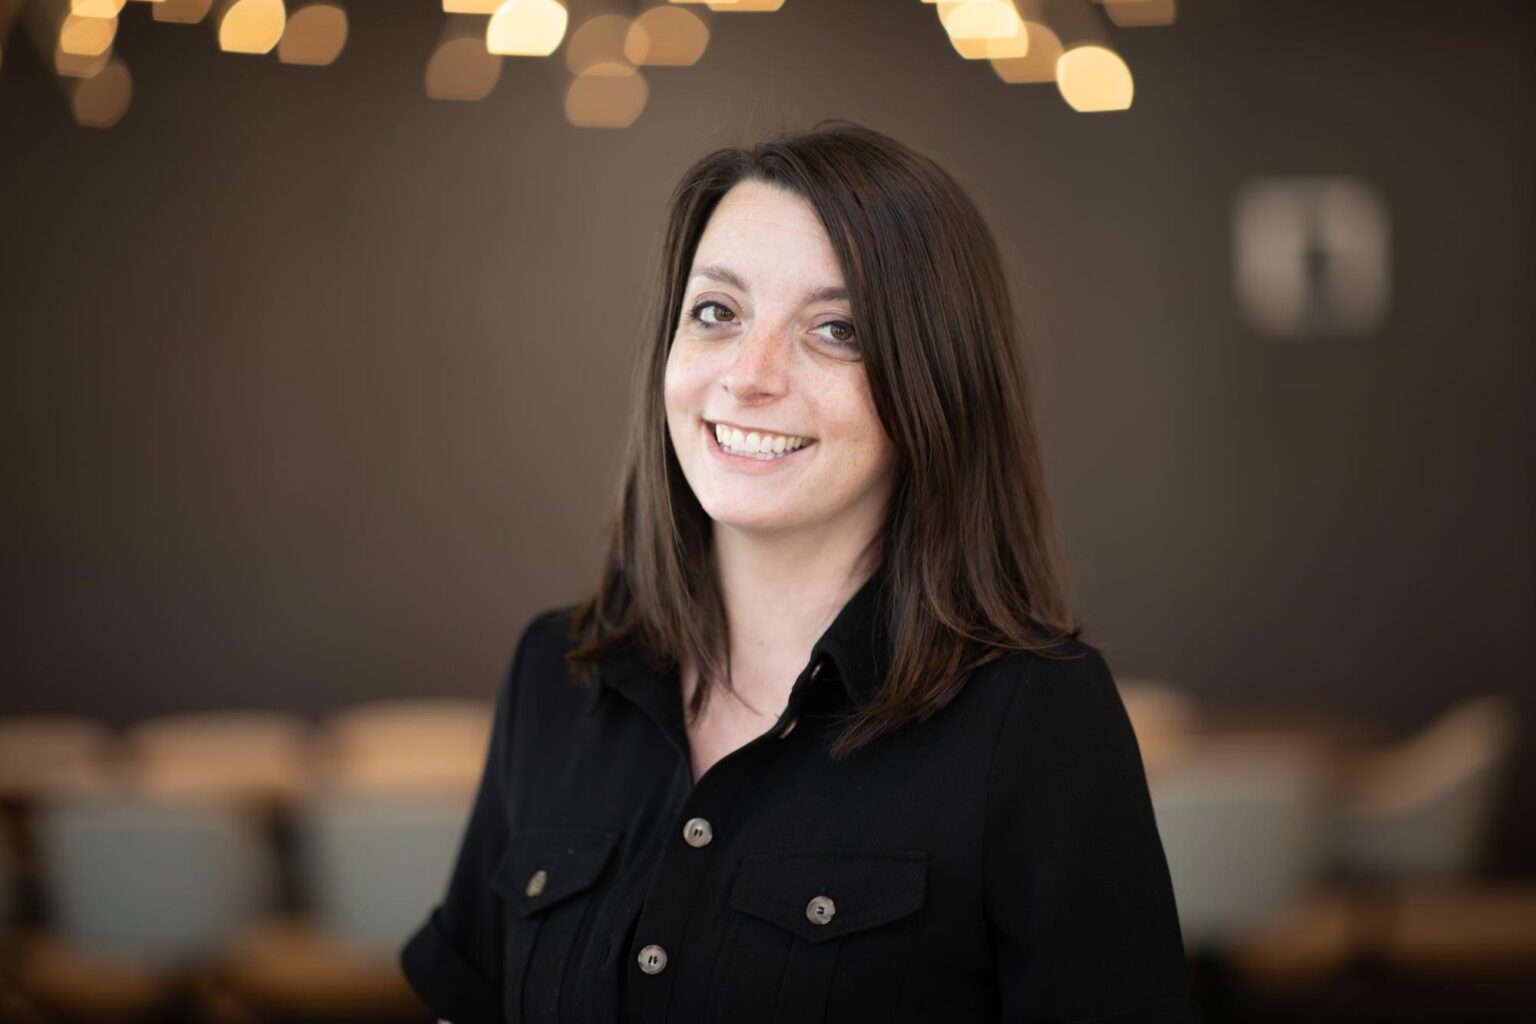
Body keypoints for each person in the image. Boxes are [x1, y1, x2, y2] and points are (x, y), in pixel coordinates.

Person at [401, 123, 1202, 1024]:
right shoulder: (556, 675)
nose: (750, 376)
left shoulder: (1036, 715)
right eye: (717, 312)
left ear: (935, 384)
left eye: (836, 329)